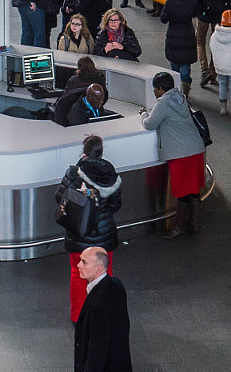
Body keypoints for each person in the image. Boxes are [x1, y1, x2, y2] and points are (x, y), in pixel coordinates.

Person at [60, 134, 123, 319]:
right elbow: (115, 206)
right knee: (104, 273)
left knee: (78, 273)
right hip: (105, 236)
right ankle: (103, 314)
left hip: (79, 235)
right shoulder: (111, 175)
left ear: (84, 151)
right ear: (101, 152)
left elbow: (59, 197)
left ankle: (78, 315)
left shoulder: (73, 173)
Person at [141, 71, 206, 236]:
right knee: (193, 189)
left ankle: (179, 227)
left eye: (155, 89)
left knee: (182, 191)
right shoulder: (180, 97)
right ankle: (194, 224)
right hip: (196, 149)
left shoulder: (163, 103)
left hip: (181, 154)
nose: (154, 92)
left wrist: (143, 114)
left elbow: (149, 124)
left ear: (161, 89)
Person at [73, 246, 133, 372]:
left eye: (84, 262)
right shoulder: (116, 285)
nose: (78, 265)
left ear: (98, 269)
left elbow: (97, 347)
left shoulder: (98, 303)